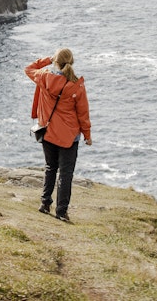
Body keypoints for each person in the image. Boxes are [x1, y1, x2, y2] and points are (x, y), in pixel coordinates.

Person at [25, 48, 92, 222]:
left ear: (56, 61)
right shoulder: (76, 86)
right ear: (72, 62)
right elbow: (82, 113)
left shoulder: (44, 77)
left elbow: (29, 68)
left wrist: (47, 59)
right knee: (66, 173)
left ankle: (45, 204)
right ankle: (61, 212)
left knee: (50, 168)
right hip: (69, 136)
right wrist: (87, 134)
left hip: (47, 132)